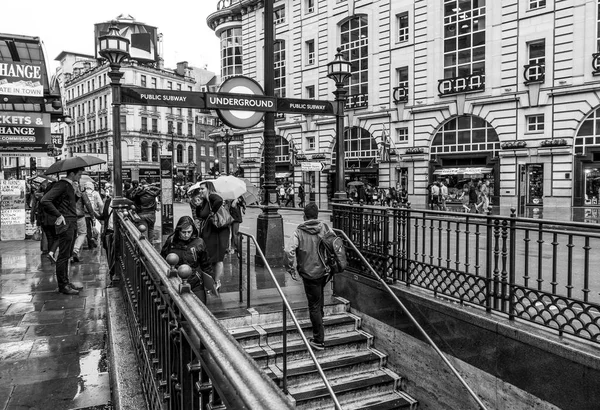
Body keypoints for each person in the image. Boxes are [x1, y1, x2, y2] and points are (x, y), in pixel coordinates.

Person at [284, 202, 328, 351]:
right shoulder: (324, 228)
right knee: (319, 297)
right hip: (323, 270)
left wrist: (289, 267)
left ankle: (318, 340)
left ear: (304, 216)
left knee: (314, 305)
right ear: (317, 215)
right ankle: (320, 322)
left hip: (308, 273)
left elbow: (289, 251)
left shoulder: (299, 231)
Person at [41, 167, 86, 295]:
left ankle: (66, 282)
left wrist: (77, 193)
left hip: (71, 221)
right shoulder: (62, 185)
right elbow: (45, 200)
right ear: (72, 173)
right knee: (63, 255)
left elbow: (68, 203)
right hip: (66, 223)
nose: (80, 177)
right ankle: (63, 285)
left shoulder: (69, 186)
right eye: (79, 174)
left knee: (67, 254)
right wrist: (58, 215)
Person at [161, 216, 212, 303]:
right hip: (177, 281)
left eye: (189, 232)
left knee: (200, 307)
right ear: (178, 231)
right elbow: (162, 259)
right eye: (183, 232)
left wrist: (210, 282)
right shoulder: (171, 241)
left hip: (196, 281)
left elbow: (206, 263)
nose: (186, 235)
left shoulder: (199, 242)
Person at [193, 181, 230, 293]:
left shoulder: (212, 196)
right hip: (208, 232)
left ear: (208, 188)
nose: (200, 191)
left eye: (202, 189)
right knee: (209, 256)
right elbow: (200, 216)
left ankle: (217, 281)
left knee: (217, 257)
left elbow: (219, 200)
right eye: (200, 189)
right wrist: (198, 206)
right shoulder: (205, 201)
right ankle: (211, 280)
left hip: (217, 233)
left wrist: (212, 212)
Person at [98, 183, 116, 282]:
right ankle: (112, 274)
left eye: (111, 187)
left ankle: (114, 275)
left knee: (115, 255)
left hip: (116, 232)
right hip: (108, 231)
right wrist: (94, 214)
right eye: (108, 188)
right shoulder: (108, 201)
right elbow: (104, 216)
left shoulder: (123, 202)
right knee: (109, 254)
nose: (109, 189)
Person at [83, 181, 104, 249]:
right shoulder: (95, 193)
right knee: (96, 227)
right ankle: (94, 238)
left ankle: (90, 243)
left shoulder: (83, 193)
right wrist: (101, 212)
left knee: (88, 228)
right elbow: (100, 204)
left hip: (85, 214)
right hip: (95, 213)